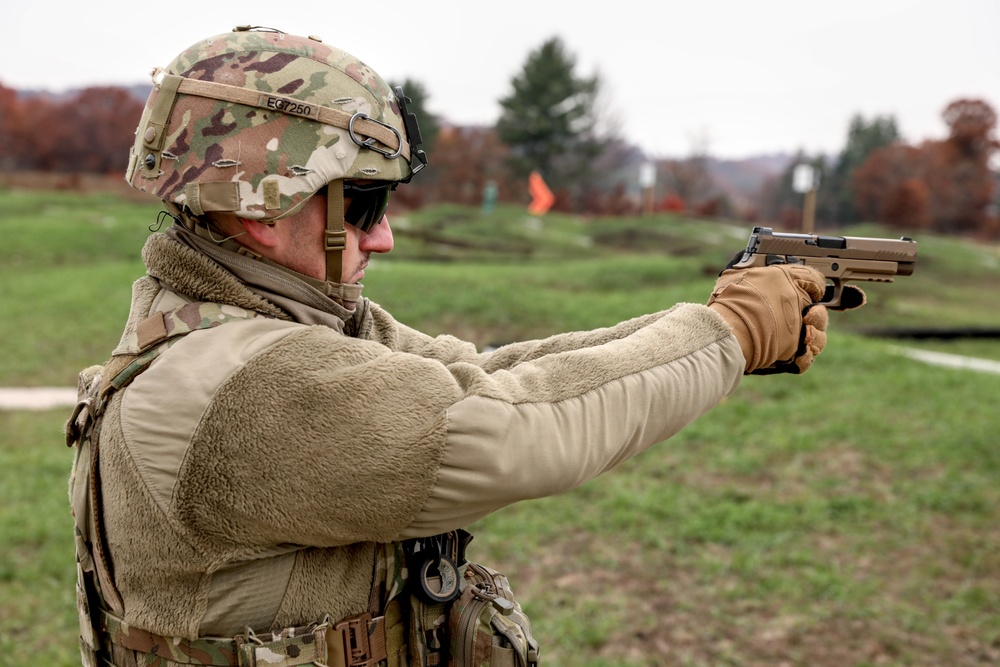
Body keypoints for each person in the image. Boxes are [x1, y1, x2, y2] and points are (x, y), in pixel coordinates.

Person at [66, 26, 842, 667]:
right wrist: (730, 334)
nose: (385, 236)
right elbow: (515, 430)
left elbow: (492, 374)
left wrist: (709, 322)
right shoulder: (248, 383)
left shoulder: (249, 323)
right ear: (267, 208)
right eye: (364, 204)